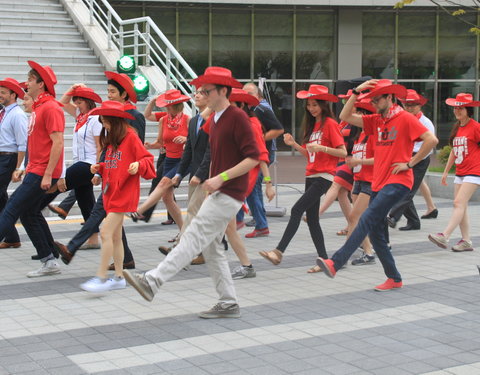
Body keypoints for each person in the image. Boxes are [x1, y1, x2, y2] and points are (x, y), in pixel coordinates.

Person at [123, 66, 260, 319]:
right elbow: (205, 143)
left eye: (207, 91)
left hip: (230, 190)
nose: (202, 95)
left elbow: (254, 158)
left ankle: (153, 281)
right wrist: (210, 180)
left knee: (193, 236)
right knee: (212, 248)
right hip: (218, 190)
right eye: (200, 91)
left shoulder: (236, 117)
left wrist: (221, 178)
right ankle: (229, 302)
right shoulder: (215, 120)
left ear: (223, 91)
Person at [316, 79, 438, 291]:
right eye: (371, 99)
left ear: (390, 97)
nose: (373, 102)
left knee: (367, 218)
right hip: (378, 183)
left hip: (398, 181)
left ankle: (336, 262)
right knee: (377, 234)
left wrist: (410, 163)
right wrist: (356, 92)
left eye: (377, 99)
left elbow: (431, 140)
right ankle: (394, 278)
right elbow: (345, 116)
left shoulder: (405, 118)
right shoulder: (376, 121)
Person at [54, 71, 146, 270]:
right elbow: (107, 146)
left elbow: (138, 150)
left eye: (113, 92)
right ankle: (125, 261)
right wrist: (99, 171)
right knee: (112, 224)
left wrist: (133, 167)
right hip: (110, 175)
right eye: (108, 91)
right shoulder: (110, 114)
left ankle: (73, 249)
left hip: (124, 179)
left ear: (124, 94)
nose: (109, 95)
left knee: (100, 215)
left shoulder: (135, 117)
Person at [259, 85, 346, 272]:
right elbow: (310, 154)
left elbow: (343, 152)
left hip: (324, 176)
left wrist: (323, 148)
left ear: (323, 105)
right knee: (313, 219)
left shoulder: (330, 124)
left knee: (297, 209)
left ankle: (279, 251)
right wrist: (295, 145)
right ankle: (325, 261)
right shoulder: (313, 125)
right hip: (311, 174)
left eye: (315, 104)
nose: (311, 108)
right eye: (309, 105)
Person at [79, 101, 155, 292]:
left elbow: (147, 159)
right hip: (111, 192)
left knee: (105, 232)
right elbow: (113, 164)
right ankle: (119, 277)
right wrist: (100, 169)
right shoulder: (114, 139)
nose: (104, 125)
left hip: (124, 193)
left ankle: (101, 277)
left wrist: (139, 165)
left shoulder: (130, 136)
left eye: (105, 121)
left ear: (115, 120)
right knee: (115, 236)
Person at [0, 61, 65, 277]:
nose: (26, 84)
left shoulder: (51, 107)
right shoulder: (38, 107)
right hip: (35, 169)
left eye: (30, 80)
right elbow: (37, 145)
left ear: (41, 83)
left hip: (42, 172)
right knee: (29, 213)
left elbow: (58, 143)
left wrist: (47, 174)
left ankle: (49, 260)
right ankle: (49, 260)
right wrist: (23, 167)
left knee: (11, 209)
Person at [128, 89, 190, 231]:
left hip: (183, 160)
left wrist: (186, 139)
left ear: (177, 105)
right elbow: (160, 142)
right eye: (167, 105)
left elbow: (195, 140)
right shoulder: (163, 119)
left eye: (170, 105)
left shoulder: (187, 119)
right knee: (167, 198)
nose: (167, 107)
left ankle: (140, 210)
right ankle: (184, 231)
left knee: (162, 182)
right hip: (169, 159)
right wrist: (150, 146)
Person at [428, 93, 480, 252]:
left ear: (468, 110)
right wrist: (445, 172)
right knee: (460, 205)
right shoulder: (458, 127)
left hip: (474, 171)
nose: (457, 111)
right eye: (455, 108)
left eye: (461, 108)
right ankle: (466, 241)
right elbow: (454, 151)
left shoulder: (476, 127)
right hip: (460, 172)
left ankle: (445, 235)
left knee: (458, 203)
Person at [54, 85, 103, 248]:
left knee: (55, 185)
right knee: (85, 201)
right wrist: (72, 89)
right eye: (75, 101)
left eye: (80, 101)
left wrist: (99, 171)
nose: (76, 104)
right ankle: (93, 240)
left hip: (89, 164)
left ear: (89, 102)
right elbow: (61, 103)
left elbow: (99, 146)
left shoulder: (95, 118)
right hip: (80, 161)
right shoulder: (80, 117)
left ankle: (36, 206)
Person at [238, 82, 284, 236]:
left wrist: (259, 138)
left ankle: (260, 224)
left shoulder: (262, 110)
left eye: (249, 93)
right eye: (243, 93)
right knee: (251, 188)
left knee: (252, 187)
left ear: (258, 96)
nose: (246, 96)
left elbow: (279, 129)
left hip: (263, 154)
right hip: (254, 154)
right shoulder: (245, 111)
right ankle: (259, 223)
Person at [387, 89, 435, 231]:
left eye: (413, 105)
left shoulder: (426, 123)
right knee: (403, 188)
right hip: (404, 158)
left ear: (420, 105)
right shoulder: (402, 120)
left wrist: (412, 162)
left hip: (419, 159)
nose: (409, 108)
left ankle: (393, 216)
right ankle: (414, 221)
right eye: (407, 105)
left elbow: (429, 145)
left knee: (407, 190)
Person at [345, 97, 377, 265]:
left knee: (353, 218)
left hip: (369, 182)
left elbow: (380, 159)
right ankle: (369, 251)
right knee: (359, 219)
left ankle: (343, 256)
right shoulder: (359, 135)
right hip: (358, 180)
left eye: (358, 113)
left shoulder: (373, 135)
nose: (355, 116)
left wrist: (359, 162)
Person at [0, 78, 28, 249]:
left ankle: (6, 234)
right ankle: (11, 238)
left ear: (13, 94)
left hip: (9, 158)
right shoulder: (4, 112)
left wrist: (18, 167)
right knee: (2, 198)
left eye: (3, 92)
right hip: (2, 156)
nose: (0, 95)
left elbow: (23, 144)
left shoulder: (17, 114)